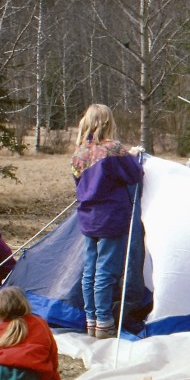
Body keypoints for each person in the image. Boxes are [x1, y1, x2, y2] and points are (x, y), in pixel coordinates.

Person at [71, 104, 143, 339]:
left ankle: (91, 319)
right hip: (110, 217)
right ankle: (104, 321)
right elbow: (135, 174)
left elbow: (78, 184)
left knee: (89, 271)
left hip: (87, 217)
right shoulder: (114, 149)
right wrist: (133, 156)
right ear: (107, 122)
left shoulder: (79, 153)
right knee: (105, 272)